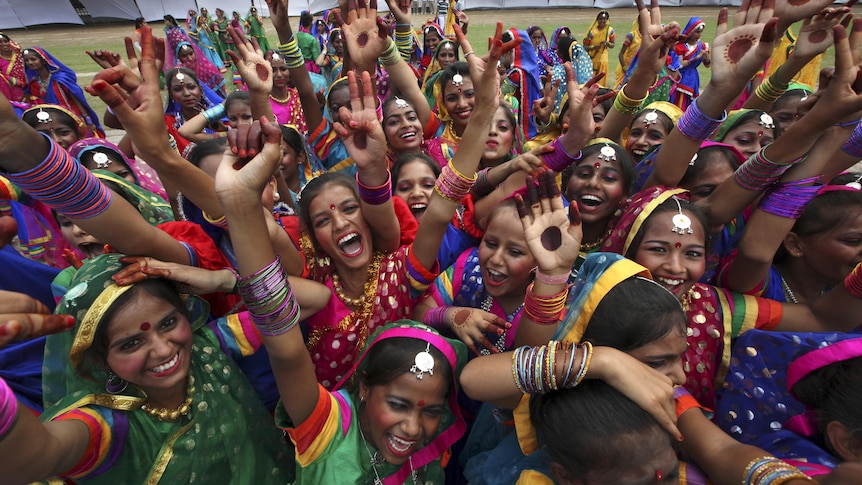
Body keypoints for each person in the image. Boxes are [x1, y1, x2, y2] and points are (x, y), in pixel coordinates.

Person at [22, 47, 103, 137]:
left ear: (43, 60)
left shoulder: (60, 79)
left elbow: (76, 99)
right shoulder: (33, 84)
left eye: (33, 59)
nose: (30, 62)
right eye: (26, 60)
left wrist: (88, 120)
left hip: (73, 116)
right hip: (52, 121)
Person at [163, 23, 227, 97]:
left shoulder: (207, 67)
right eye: (184, 56)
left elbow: (221, 90)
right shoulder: (178, 73)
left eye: (191, 53)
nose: (190, 58)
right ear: (178, 57)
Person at [669, 17, 710, 110]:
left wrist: (706, 58)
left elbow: (707, 65)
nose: (699, 34)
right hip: (681, 77)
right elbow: (680, 64)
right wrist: (696, 57)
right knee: (679, 102)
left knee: (689, 104)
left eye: (700, 32)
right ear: (690, 31)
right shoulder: (680, 46)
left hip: (693, 78)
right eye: (697, 31)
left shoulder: (702, 46)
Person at [583, 10, 615, 82]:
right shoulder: (592, 32)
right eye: (600, 19)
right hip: (593, 59)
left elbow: (612, 45)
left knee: (602, 81)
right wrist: (593, 47)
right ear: (597, 20)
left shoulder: (610, 31)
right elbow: (584, 47)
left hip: (603, 59)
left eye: (604, 19)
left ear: (607, 20)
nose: (602, 21)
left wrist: (608, 43)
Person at [0, 32, 26, 102]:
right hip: (8, 89)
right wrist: (17, 82)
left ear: (10, 42)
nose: (4, 44)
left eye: (6, 41)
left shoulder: (19, 55)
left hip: (27, 86)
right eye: (0, 42)